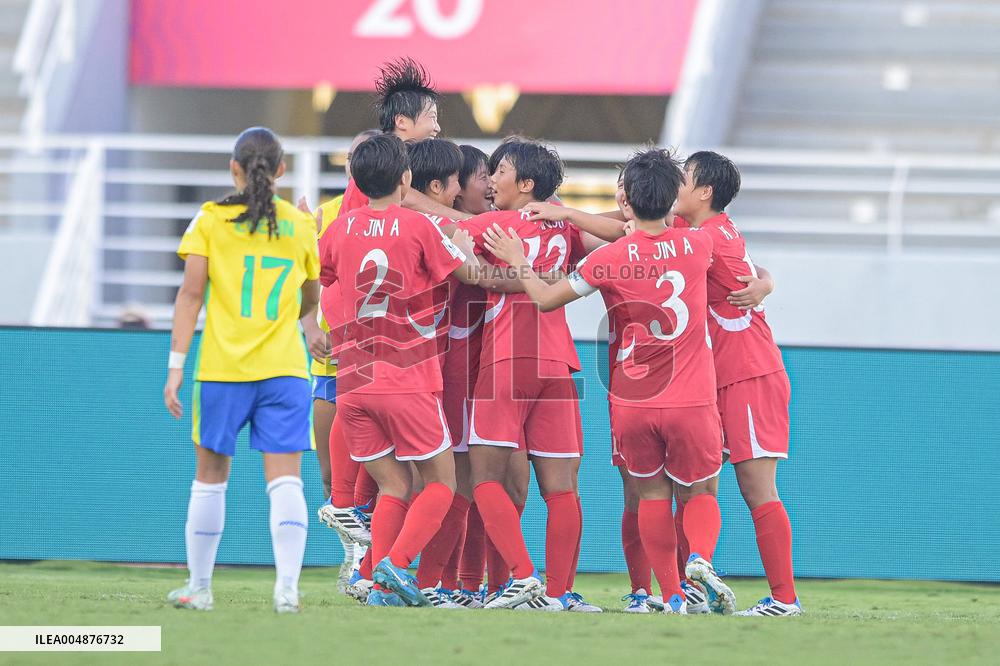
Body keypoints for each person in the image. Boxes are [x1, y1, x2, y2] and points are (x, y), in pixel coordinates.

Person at [482, 147, 737, 615]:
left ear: (627, 200)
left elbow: (544, 298)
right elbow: (741, 266)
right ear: (672, 198)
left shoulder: (609, 259)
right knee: (700, 492)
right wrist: (765, 282)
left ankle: (670, 595)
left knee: (650, 496)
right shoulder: (698, 244)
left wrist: (519, 259)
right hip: (692, 398)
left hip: (634, 401)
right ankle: (699, 559)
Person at [163, 127, 326, 614]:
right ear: (281, 171)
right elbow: (310, 298)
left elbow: (190, 296)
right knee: (286, 481)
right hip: (285, 370)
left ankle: (199, 588)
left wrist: (175, 367)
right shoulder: (300, 225)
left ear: (234, 168)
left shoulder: (210, 220)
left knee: (210, 479)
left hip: (222, 370)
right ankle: (287, 590)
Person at [321, 133, 484, 607]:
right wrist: (461, 244)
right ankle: (395, 563)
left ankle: (377, 587)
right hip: (407, 378)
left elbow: (319, 277)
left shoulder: (340, 228)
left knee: (394, 485)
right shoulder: (419, 227)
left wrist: (318, 326)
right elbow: (470, 275)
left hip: (353, 383)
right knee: (442, 483)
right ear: (406, 177)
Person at [459, 140, 592, 611]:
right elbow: (618, 237)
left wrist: (485, 270)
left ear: (527, 184)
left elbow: (450, 248)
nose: (492, 179)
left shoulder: (495, 224)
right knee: (562, 488)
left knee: (485, 480)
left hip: (506, 360)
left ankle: (522, 576)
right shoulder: (564, 227)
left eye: (501, 171)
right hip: (558, 364)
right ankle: (559, 593)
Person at [671, 151, 800, 617]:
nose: (675, 185)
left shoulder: (705, 238)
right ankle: (694, 585)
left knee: (757, 488)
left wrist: (565, 215)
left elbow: (635, 234)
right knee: (694, 484)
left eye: (684, 178)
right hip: (717, 378)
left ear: (705, 192)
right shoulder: (710, 229)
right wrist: (767, 281)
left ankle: (785, 600)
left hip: (749, 374)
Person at [309, 128, 380, 594]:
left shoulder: (396, 213)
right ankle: (353, 554)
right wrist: (310, 327)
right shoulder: (326, 214)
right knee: (332, 478)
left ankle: (365, 564)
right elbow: (307, 280)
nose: (357, 163)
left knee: (375, 473)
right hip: (330, 364)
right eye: (353, 156)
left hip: (377, 361)